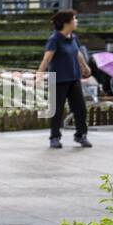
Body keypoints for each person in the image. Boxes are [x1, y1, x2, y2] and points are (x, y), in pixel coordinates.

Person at [37, 9, 92, 149]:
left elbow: (77, 52)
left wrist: (84, 66)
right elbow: (47, 59)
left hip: (74, 78)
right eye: (74, 19)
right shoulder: (54, 39)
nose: (76, 21)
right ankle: (54, 138)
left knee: (80, 108)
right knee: (57, 110)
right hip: (58, 80)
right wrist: (39, 75)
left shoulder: (73, 37)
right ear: (66, 23)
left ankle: (81, 135)